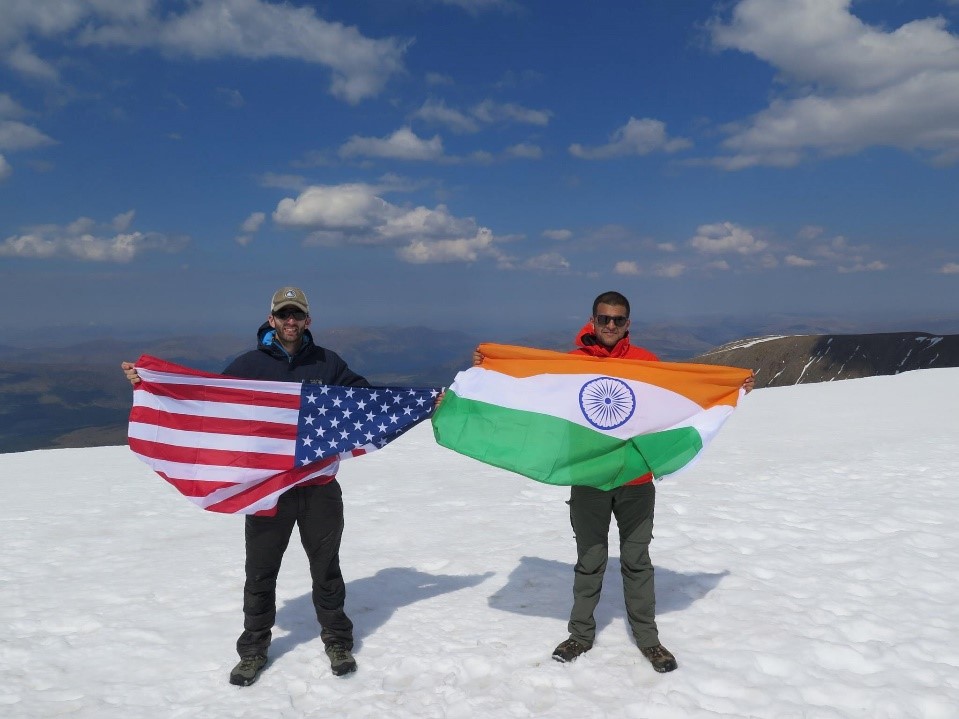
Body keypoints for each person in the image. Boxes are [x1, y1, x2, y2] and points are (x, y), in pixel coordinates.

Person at [473, 290, 753, 674]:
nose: (610, 325)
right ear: (592, 320)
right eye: (604, 318)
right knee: (590, 560)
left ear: (628, 324)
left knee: (637, 561)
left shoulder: (647, 364)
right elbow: (530, 388)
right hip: (588, 477)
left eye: (618, 320)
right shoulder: (571, 365)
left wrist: (729, 389)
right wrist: (491, 369)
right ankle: (580, 635)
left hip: (636, 479)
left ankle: (648, 640)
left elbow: (679, 401)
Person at [122, 286, 368, 686]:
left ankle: (337, 641)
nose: (291, 322)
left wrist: (424, 400)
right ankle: (253, 651)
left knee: (326, 570)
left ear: (308, 320)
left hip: (319, 487)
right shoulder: (249, 365)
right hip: (267, 490)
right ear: (272, 320)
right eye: (284, 315)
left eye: (297, 315)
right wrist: (148, 382)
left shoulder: (328, 363)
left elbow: (367, 401)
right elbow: (208, 406)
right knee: (261, 573)